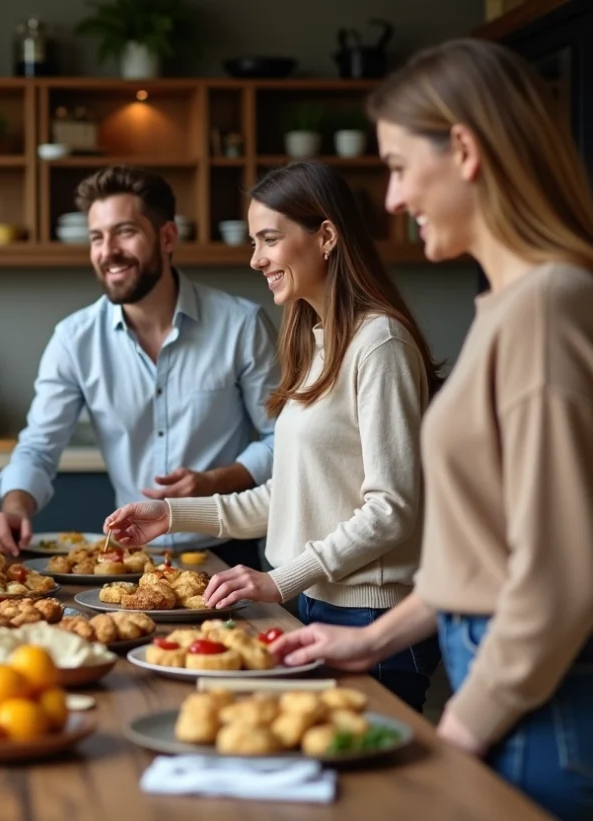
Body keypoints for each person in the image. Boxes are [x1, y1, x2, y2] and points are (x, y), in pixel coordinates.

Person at [266, 39, 593, 820]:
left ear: (465, 151)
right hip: (496, 672)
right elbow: (483, 553)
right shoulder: (514, 307)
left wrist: (463, 729)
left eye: (400, 167)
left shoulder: (546, 308)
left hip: (532, 706)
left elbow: (557, 580)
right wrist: (372, 639)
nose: (390, 199)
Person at [104, 160, 443, 712]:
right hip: (311, 603)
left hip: (368, 615)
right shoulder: (315, 345)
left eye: (269, 240)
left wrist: (281, 580)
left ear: (326, 236)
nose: (256, 258)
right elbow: (287, 496)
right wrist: (171, 514)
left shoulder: (380, 343)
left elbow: (392, 510)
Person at [0, 166, 280, 567]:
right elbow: (38, 447)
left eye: (125, 232)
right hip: (130, 553)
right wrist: (15, 507)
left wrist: (216, 481)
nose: (108, 251)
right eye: (96, 237)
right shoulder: (74, 339)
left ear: (167, 237)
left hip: (227, 550)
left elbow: (283, 438)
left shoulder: (240, 325)